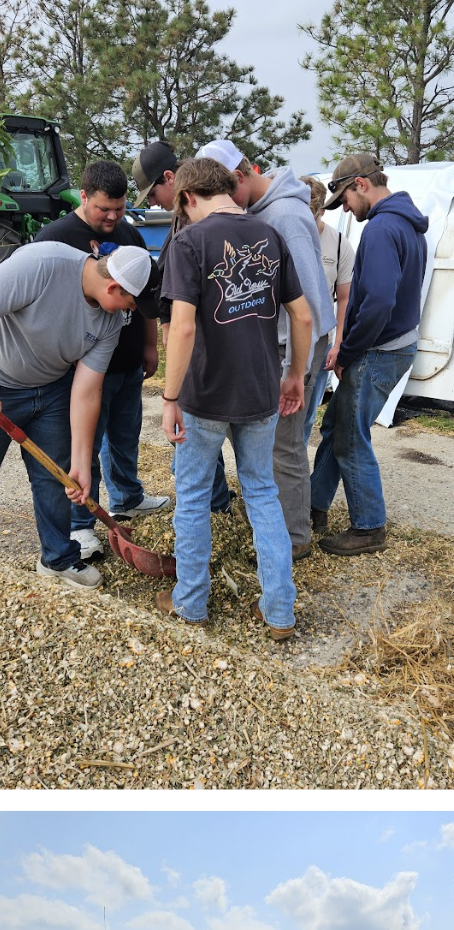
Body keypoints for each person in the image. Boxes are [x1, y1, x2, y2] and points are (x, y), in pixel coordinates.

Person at [155, 156, 309, 632]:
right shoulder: (269, 236)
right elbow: (303, 317)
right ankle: (280, 610)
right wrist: (295, 375)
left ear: (186, 197)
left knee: (194, 496)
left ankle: (191, 603)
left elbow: (181, 329)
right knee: (262, 493)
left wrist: (168, 397)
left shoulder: (188, 242)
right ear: (229, 186)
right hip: (260, 390)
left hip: (204, 395)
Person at [198, 139, 336, 560]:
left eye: (222, 192)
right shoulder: (261, 211)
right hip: (278, 345)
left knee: (284, 445)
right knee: (273, 445)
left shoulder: (285, 217)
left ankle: (293, 539)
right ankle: (279, 522)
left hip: (296, 346)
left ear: (241, 176)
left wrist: (297, 371)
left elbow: (309, 305)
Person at [0, 231, 145, 590]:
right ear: (114, 288)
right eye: (131, 304)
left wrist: (80, 462)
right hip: (3, 381)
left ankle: (57, 559)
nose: (131, 313)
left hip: (51, 391)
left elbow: (86, 390)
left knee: (53, 476)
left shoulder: (111, 322)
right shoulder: (41, 264)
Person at [37, 160, 170, 546]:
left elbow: (148, 292)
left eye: (119, 208)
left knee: (126, 436)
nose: (112, 217)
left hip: (126, 360)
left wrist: (149, 345)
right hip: (80, 367)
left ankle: (128, 497)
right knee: (85, 446)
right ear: (83, 197)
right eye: (103, 209)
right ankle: (82, 524)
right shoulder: (55, 237)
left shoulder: (130, 233)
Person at [311, 156, 429, 558]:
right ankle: (313, 507)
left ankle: (368, 527)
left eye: (344, 197)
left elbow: (378, 302)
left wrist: (347, 349)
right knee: (337, 426)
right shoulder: (407, 223)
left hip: (379, 350)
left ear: (360, 184)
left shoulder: (381, 227)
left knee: (350, 438)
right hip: (395, 345)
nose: (344, 208)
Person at [310, 179, 354, 382]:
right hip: (283, 340)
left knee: (309, 410)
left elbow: (344, 298)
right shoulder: (281, 235)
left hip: (321, 340)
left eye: (312, 215)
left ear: (322, 212)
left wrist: (337, 344)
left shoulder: (338, 244)